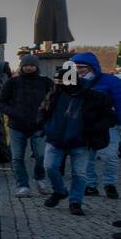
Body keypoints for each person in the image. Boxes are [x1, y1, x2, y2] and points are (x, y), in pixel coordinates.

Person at [39, 56, 119, 214]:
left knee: (79, 173)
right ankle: (60, 190)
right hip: (56, 140)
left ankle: (76, 202)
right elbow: (43, 109)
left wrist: (93, 129)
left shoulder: (96, 96)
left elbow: (110, 117)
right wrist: (44, 125)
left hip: (80, 142)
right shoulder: (55, 93)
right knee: (49, 167)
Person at [0, 53, 53, 197]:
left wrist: (46, 115)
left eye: (32, 65)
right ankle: (22, 186)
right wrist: (13, 113)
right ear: (21, 66)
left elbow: (54, 101)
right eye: (26, 65)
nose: (28, 68)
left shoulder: (45, 82)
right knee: (17, 158)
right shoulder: (12, 83)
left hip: (38, 126)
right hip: (17, 126)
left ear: (36, 67)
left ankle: (40, 179)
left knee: (41, 156)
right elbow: (0, 103)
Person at [72, 52, 121, 199]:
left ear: (91, 67)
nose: (79, 70)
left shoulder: (111, 81)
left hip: (108, 125)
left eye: (81, 67)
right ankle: (90, 185)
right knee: (87, 158)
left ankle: (110, 184)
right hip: (84, 126)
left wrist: (118, 120)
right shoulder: (73, 82)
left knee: (110, 156)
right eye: (76, 67)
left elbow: (119, 101)